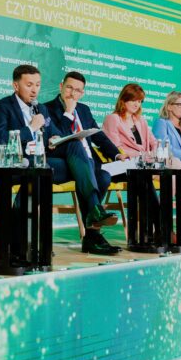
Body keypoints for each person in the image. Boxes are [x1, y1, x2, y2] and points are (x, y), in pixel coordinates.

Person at [103, 83, 181, 225]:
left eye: (140, 101)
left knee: (173, 174)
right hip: (127, 165)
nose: (137, 104)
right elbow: (115, 148)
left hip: (146, 163)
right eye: (133, 100)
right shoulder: (113, 119)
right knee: (175, 166)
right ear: (123, 99)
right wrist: (143, 154)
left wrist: (154, 153)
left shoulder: (140, 120)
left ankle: (163, 224)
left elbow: (155, 142)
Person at [42, 71, 122, 255]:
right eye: (69, 88)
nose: (72, 93)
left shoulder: (84, 110)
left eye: (77, 90)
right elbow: (57, 140)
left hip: (88, 162)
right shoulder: (47, 108)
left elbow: (99, 136)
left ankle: (92, 233)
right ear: (61, 86)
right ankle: (94, 227)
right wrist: (68, 113)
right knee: (85, 163)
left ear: (82, 93)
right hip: (63, 162)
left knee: (104, 176)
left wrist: (117, 155)